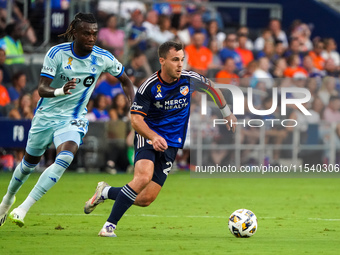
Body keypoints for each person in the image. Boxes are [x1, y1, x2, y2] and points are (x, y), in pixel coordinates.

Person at [83, 41, 237, 237]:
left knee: (145, 199)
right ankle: (109, 226)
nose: (180, 64)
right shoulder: (149, 86)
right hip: (148, 135)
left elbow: (212, 88)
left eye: (182, 60)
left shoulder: (189, 79)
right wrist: (153, 136)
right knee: (143, 177)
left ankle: (105, 192)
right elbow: (136, 119)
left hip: (171, 143)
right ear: (162, 61)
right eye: (175, 60)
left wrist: (227, 113)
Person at [0, 13, 134, 227]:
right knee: (27, 165)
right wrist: (60, 90)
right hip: (46, 116)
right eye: (86, 33)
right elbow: (42, 88)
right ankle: (8, 200)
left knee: (65, 157)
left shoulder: (102, 57)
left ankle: (22, 208)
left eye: (94, 33)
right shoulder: (57, 53)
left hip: (73, 118)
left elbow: (126, 81)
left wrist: (133, 105)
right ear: (74, 33)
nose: (91, 38)